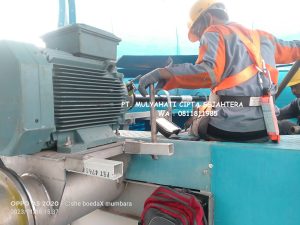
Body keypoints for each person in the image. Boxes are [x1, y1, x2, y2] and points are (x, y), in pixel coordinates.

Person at [138, 0, 300, 142]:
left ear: (208, 18)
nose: (201, 39)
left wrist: (164, 73)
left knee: (196, 123)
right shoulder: (265, 38)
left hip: (229, 129)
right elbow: (296, 48)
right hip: (264, 129)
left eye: (199, 32)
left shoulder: (214, 31)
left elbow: (208, 73)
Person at [277, 70, 300, 134]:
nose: (293, 91)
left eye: (295, 86)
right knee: (278, 123)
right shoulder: (297, 103)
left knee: (284, 124)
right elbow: (279, 114)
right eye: (291, 87)